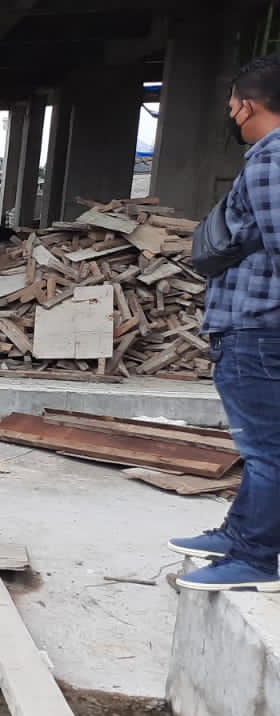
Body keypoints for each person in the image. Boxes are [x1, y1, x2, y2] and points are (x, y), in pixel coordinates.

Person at [170, 54, 280, 591]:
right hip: (257, 328)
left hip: (257, 329)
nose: (231, 113)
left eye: (233, 104)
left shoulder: (270, 159)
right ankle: (240, 537)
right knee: (266, 448)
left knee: (267, 451)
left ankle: (255, 558)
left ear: (247, 105)